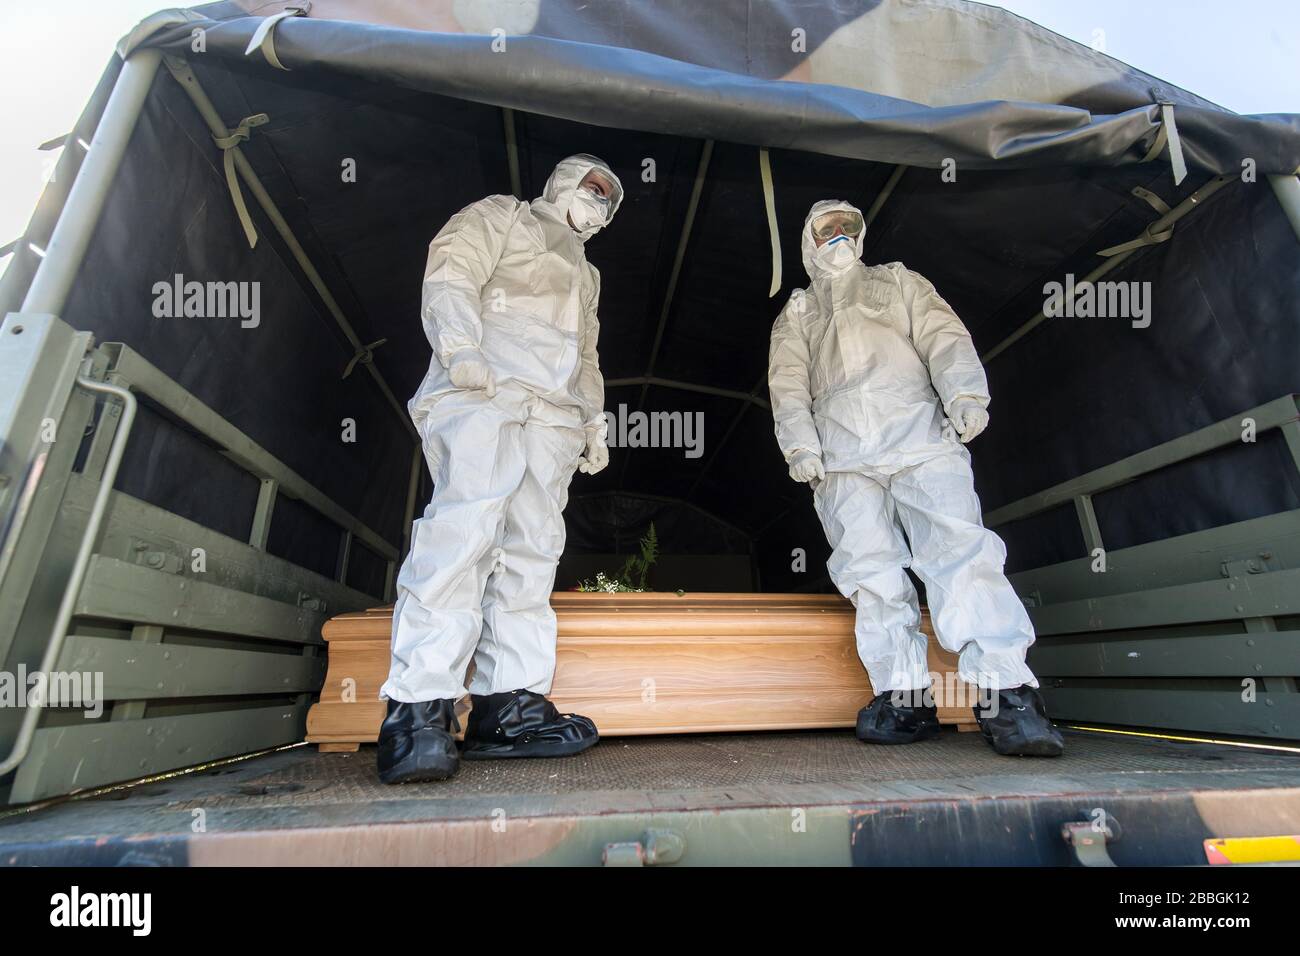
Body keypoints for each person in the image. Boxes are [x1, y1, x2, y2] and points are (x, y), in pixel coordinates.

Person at [767, 199, 1064, 757]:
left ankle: (1008, 694)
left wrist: (965, 393)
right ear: (808, 242)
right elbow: (787, 383)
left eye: (846, 227)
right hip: (842, 457)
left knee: (960, 554)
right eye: (825, 229)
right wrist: (800, 445)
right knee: (870, 572)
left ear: (860, 235)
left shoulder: (897, 281)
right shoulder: (800, 312)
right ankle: (903, 695)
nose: (837, 236)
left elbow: (942, 337)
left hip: (920, 437)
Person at [378, 155, 623, 783]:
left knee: (532, 551)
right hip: (484, 391)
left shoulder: (587, 274)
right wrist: (460, 348)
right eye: (590, 187)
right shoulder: (503, 215)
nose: (596, 201)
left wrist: (594, 421)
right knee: (465, 533)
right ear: (561, 183)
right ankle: (418, 710)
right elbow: (452, 273)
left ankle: (509, 708)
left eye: (608, 198)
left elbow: (587, 354)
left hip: (553, 415)